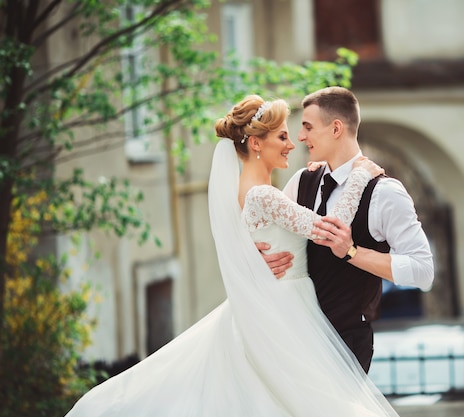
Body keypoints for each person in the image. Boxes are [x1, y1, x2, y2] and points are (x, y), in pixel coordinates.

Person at [63, 95, 399, 417]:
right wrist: (360, 174)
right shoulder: (263, 195)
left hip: (283, 299)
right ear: (256, 143)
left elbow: (273, 233)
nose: (292, 143)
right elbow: (331, 230)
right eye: (282, 136)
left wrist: (253, 261)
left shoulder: (258, 193)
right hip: (285, 307)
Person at [258, 86, 434, 373]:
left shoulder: (386, 193)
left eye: (307, 127)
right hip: (295, 336)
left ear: (336, 128)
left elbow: (424, 270)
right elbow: (272, 239)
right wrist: (262, 255)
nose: (301, 137)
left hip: (346, 343)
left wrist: (352, 252)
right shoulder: (302, 181)